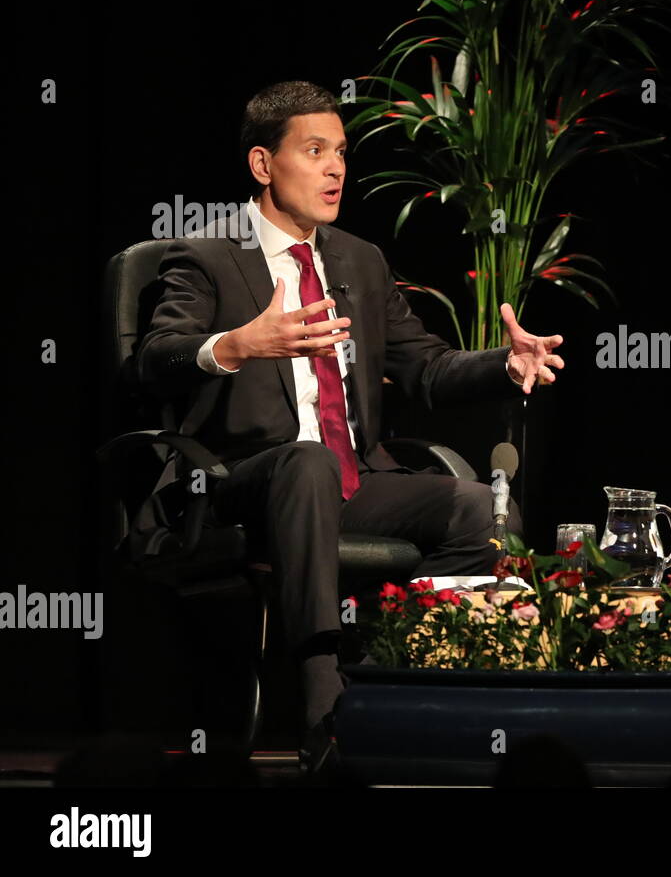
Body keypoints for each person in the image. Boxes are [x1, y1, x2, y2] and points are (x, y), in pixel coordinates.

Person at [135, 80, 564, 770]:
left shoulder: (358, 262)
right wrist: (242, 343)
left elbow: (425, 366)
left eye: (340, 152)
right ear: (262, 164)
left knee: (479, 509)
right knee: (304, 461)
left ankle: (394, 680)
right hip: (237, 482)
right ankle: (326, 718)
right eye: (314, 151)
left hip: (350, 478)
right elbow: (157, 359)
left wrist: (506, 367)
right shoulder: (208, 256)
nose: (336, 168)